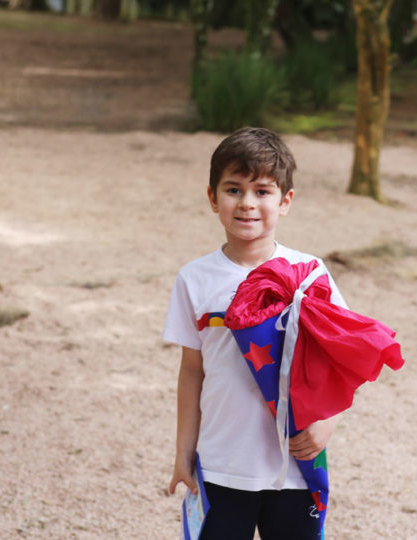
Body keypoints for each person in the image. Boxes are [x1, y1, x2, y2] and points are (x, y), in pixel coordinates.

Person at [163, 127, 346, 539]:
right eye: (233, 189)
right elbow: (192, 371)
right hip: (221, 463)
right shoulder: (194, 279)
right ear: (213, 198)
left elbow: (341, 358)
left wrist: (327, 423)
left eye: (262, 191)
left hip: (295, 466)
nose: (247, 203)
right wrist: (183, 453)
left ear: (286, 202)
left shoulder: (310, 274)